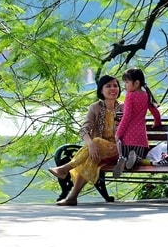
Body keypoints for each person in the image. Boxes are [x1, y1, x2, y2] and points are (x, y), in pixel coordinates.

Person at [48, 75, 123, 206]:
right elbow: (84, 129)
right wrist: (91, 144)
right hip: (98, 153)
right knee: (90, 158)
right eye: (108, 86)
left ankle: (65, 168)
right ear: (101, 90)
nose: (113, 89)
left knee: (97, 142)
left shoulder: (124, 107)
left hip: (120, 151)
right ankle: (72, 197)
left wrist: (95, 143)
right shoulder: (95, 108)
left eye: (115, 86)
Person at [113, 68, 161, 177]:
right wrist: (157, 122)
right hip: (140, 137)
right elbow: (155, 111)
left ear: (136, 83)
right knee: (138, 159)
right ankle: (135, 158)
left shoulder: (130, 96)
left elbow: (126, 116)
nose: (125, 85)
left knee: (124, 155)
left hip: (127, 137)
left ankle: (123, 160)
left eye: (127, 82)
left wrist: (118, 134)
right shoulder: (145, 95)